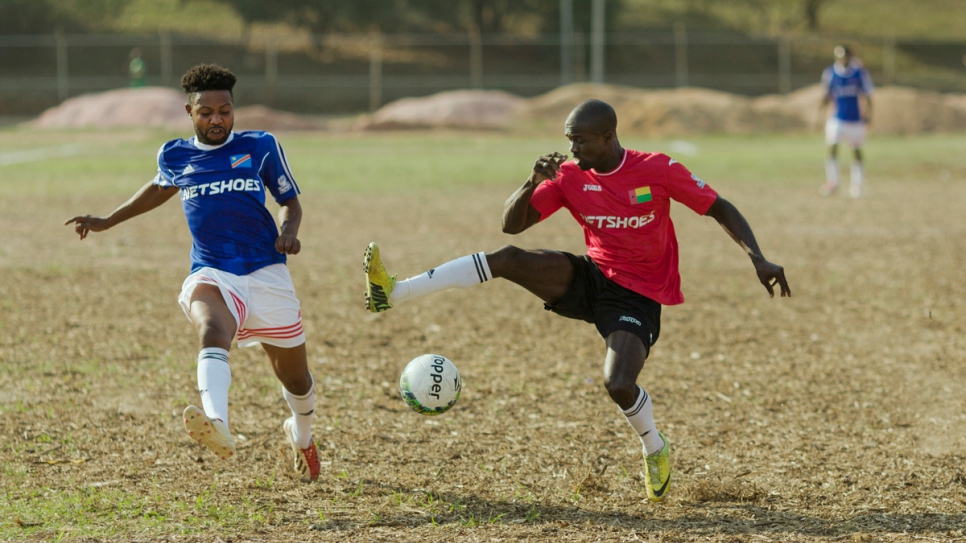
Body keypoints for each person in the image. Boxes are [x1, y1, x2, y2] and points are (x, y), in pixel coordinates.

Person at [363, 99, 791, 503]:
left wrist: (758, 258)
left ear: (608, 136)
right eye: (569, 139)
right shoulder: (568, 176)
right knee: (509, 259)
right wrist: (532, 181)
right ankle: (395, 292)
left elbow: (720, 207)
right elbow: (512, 226)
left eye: (580, 140)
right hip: (590, 276)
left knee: (618, 384)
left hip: (639, 294)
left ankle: (653, 446)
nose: (571, 148)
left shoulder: (657, 169)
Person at [65, 64, 321, 483]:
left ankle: (303, 435)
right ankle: (217, 422)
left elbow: (290, 202)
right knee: (210, 329)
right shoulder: (175, 154)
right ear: (189, 111)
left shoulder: (261, 146)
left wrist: (288, 233)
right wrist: (108, 220)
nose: (217, 119)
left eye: (225, 110)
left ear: (234, 110)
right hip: (212, 271)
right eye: (206, 112)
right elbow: (159, 188)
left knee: (295, 377)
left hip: (266, 272)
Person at [818, 45, 874, 198]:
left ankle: (857, 184)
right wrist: (819, 116)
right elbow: (825, 95)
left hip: (855, 119)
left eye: (844, 56)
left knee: (856, 151)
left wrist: (869, 115)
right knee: (832, 147)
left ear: (850, 56)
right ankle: (832, 182)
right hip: (837, 118)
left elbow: (868, 94)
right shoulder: (830, 73)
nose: (842, 60)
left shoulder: (859, 73)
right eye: (839, 56)